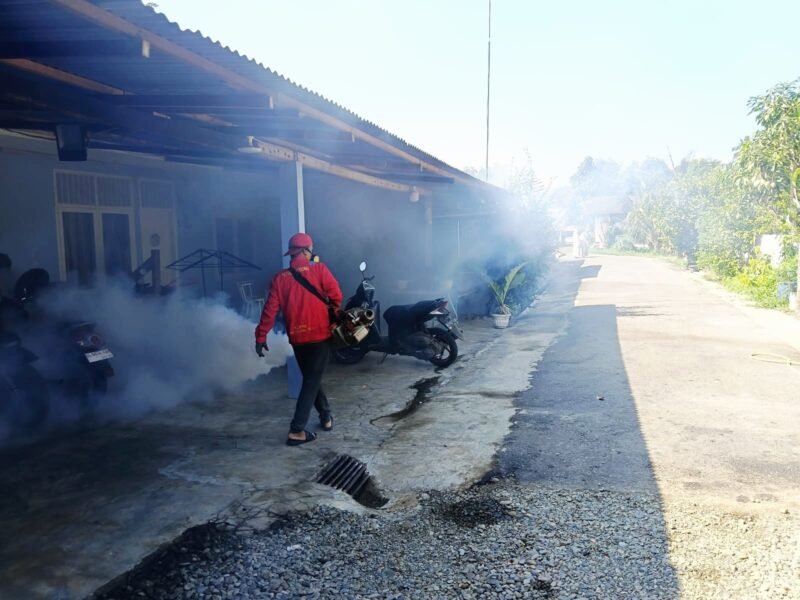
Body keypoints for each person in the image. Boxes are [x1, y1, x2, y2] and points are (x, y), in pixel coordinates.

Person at [255, 233, 343, 446]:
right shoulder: (319, 269)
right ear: (305, 251)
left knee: (312, 378)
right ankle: (296, 431)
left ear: (292, 253)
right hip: (320, 336)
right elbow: (336, 296)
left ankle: (325, 416)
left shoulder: (279, 279)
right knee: (312, 380)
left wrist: (261, 336)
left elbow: (270, 311)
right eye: (310, 249)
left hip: (298, 338)